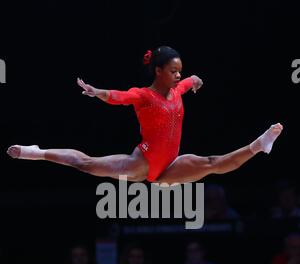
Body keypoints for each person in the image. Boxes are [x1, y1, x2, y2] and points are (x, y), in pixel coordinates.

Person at [7, 46, 283, 185]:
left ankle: (259, 146)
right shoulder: (143, 95)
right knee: (87, 164)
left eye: (180, 70)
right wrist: (97, 91)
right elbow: (118, 96)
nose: (178, 75)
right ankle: (38, 152)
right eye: (174, 71)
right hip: (142, 165)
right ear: (158, 71)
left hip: (170, 166)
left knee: (212, 163)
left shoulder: (177, 89)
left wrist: (195, 80)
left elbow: (191, 81)